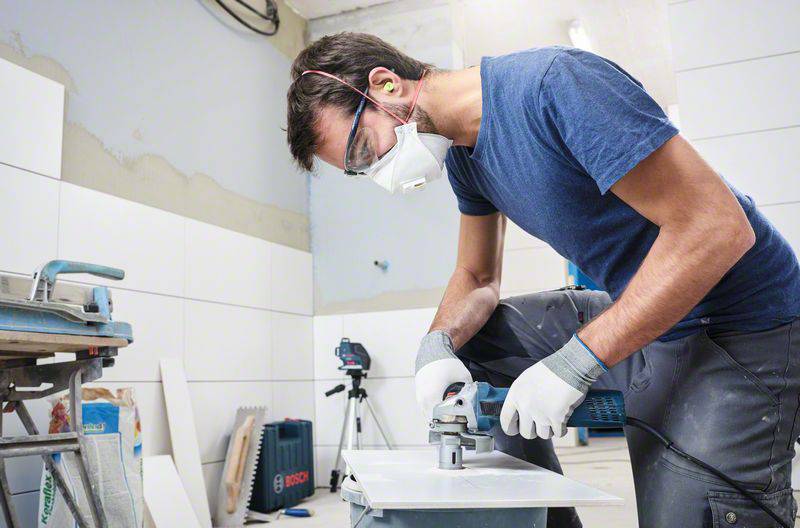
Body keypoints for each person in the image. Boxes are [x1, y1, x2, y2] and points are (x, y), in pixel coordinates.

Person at [285, 32, 800, 527]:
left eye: (360, 149)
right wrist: (435, 346)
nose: (374, 170)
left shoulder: (557, 85)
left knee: (689, 513)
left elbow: (717, 227)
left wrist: (577, 361)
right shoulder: (465, 157)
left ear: (385, 85)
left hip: (739, 321)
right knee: (472, 346)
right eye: (357, 170)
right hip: (644, 305)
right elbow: (477, 273)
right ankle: (542, 514)